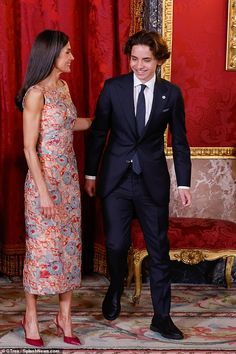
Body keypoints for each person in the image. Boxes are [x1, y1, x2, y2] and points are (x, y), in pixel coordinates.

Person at [84, 30, 191, 340]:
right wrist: (91, 175)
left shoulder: (171, 94)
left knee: (159, 251)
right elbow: (99, 134)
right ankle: (116, 287)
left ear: (158, 61)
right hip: (115, 180)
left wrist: (183, 182)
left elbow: (181, 142)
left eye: (146, 60)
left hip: (151, 183)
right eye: (134, 59)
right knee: (116, 244)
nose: (139, 66)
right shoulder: (113, 88)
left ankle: (162, 318)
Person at [15, 29, 92, 347]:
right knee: (41, 251)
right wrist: (44, 192)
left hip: (69, 182)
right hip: (43, 184)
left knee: (69, 248)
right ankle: (30, 316)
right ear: (52, 55)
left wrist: (103, 120)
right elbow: (29, 148)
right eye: (68, 52)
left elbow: (68, 123)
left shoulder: (63, 86)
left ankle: (65, 316)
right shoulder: (35, 93)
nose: (72, 57)